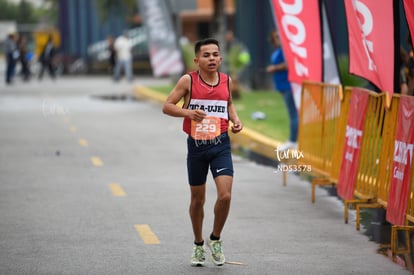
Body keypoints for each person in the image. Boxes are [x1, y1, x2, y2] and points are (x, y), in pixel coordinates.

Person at [162, 38, 243, 267]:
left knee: (225, 195)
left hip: (221, 145)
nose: (211, 59)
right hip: (197, 147)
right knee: (198, 201)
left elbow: (228, 104)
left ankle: (215, 239)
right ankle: (198, 244)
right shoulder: (188, 80)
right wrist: (188, 114)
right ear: (197, 60)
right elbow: (167, 106)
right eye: (206, 55)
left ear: (220, 58)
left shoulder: (226, 80)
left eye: (215, 55)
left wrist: (236, 120)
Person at [266, 30, 298, 151]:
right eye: (276, 37)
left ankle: (292, 140)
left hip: (288, 85)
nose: (278, 39)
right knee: (292, 113)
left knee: (293, 114)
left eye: (280, 36)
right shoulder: (278, 51)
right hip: (282, 86)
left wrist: (274, 68)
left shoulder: (285, 50)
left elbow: (288, 64)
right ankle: (293, 140)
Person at [225, 30, 250, 99]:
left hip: (237, 67)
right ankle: (235, 96)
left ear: (232, 36)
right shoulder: (228, 45)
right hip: (232, 67)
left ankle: (236, 96)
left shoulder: (237, 45)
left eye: (229, 36)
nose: (227, 37)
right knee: (233, 82)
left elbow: (243, 56)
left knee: (234, 81)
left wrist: (240, 65)